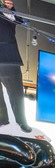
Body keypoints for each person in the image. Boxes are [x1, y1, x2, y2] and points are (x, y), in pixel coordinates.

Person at [0, 1, 31, 132]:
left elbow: (18, 21)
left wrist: (9, 8)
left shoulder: (6, 11)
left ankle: (21, 121)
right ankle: (2, 120)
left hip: (8, 56)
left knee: (16, 92)